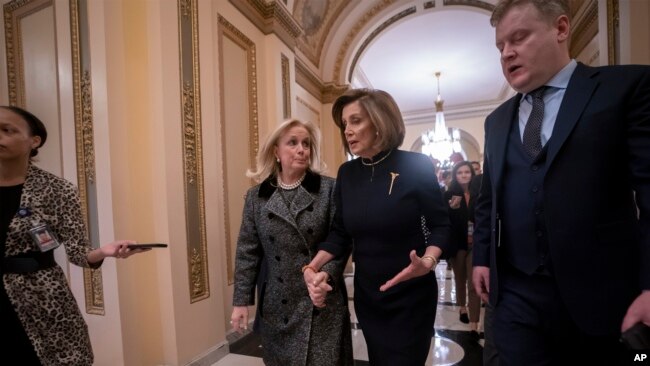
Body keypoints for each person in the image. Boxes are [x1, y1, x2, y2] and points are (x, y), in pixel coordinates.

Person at [472, 1, 650, 364]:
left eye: (519, 37)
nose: (507, 53)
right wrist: (482, 259)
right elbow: (489, 200)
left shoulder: (624, 89)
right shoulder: (496, 121)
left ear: (561, 29)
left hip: (602, 295)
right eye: (500, 46)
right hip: (517, 295)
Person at [303, 88, 450, 365]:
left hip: (411, 295)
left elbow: (441, 224)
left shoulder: (416, 165)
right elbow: (340, 233)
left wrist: (428, 261)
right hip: (369, 296)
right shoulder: (347, 173)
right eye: (345, 124)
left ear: (380, 121)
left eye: (356, 121)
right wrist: (312, 267)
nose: (348, 130)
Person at [0, 105, 148, 365]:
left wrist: (105, 251)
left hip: (42, 298)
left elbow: (79, 253)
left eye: (7, 130)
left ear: (34, 141)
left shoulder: (58, 190)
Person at [230, 119, 353, 366]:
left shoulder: (329, 189)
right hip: (278, 306)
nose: (301, 149)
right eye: (293, 143)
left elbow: (340, 241)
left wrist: (325, 277)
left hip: (321, 299)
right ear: (276, 151)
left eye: (306, 144)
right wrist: (240, 302)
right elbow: (247, 252)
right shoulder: (257, 197)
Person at [444, 161, 481, 338]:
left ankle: (474, 324)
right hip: (458, 244)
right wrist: (453, 209)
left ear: (472, 174)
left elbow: (481, 216)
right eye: (460, 172)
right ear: (455, 175)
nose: (464, 175)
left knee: (474, 283)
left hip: (476, 243)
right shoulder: (449, 194)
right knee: (460, 278)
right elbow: (444, 221)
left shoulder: (478, 193)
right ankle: (462, 307)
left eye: (467, 172)